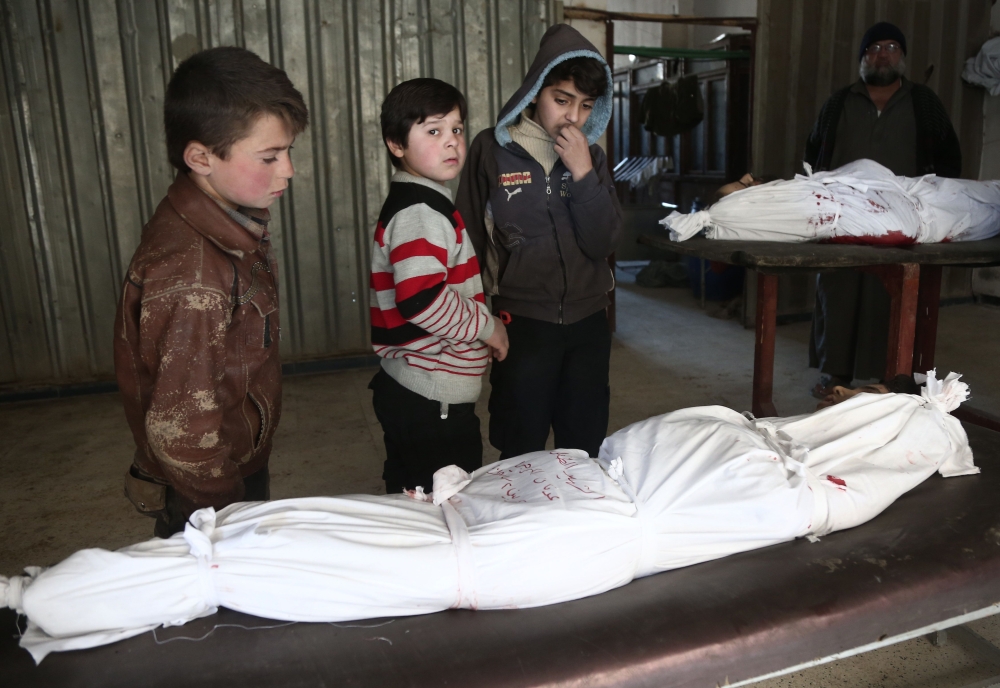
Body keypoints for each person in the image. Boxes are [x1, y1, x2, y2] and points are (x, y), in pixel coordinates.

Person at [4, 371, 976, 663]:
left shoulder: (725, 439)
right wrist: (925, 434)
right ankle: (55, 593)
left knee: (253, 551)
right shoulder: (754, 466)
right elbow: (845, 492)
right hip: (540, 522)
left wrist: (920, 433)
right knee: (258, 554)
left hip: (536, 521)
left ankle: (48, 593)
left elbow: (842, 488)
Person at [113, 47, 308, 538]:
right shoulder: (194, 275)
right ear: (200, 157)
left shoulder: (228, 221)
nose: (288, 170)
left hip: (233, 458)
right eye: (270, 156)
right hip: (210, 495)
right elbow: (183, 432)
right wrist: (229, 518)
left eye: (288, 151)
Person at [457, 24, 623, 460]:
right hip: (522, 324)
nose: (573, 117)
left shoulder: (594, 159)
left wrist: (583, 172)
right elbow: (469, 240)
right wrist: (478, 321)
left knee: (583, 443)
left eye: (586, 106)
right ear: (535, 92)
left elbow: (602, 240)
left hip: (588, 322)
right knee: (520, 440)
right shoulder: (491, 152)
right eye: (562, 100)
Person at [804, 21, 961, 398]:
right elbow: (814, 153)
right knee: (837, 291)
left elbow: (949, 158)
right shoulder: (839, 102)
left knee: (888, 296)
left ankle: (889, 374)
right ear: (862, 59)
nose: (882, 54)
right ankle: (834, 373)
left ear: (902, 57)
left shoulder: (923, 103)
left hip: (902, 219)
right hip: (844, 216)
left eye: (891, 47)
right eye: (873, 48)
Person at [369, 78, 509, 495]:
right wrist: (489, 327)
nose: (451, 142)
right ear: (396, 144)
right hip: (431, 397)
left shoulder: (425, 202)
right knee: (443, 500)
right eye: (433, 131)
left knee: (412, 492)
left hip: (418, 391)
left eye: (457, 129)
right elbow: (421, 299)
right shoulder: (420, 212)